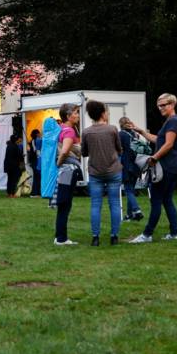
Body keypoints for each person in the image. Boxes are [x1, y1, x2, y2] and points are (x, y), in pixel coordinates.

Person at [130, 93, 177, 243]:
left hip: (165, 168)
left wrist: (154, 158)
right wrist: (141, 132)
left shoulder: (172, 121)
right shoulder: (172, 121)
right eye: (159, 105)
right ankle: (174, 233)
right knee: (167, 200)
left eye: (164, 105)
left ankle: (147, 234)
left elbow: (168, 144)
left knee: (157, 200)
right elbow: (158, 140)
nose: (160, 108)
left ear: (172, 105)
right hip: (173, 167)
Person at [81, 100, 123, 246]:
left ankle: (95, 237)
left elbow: (84, 152)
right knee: (115, 204)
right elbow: (119, 149)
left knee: (95, 205)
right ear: (103, 113)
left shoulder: (86, 132)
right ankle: (114, 236)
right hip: (113, 171)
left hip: (95, 172)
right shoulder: (112, 129)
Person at [53, 103, 82, 246]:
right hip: (68, 170)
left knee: (63, 203)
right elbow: (64, 151)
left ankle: (59, 235)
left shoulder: (61, 129)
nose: (77, 115)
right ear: (68, 116)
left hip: (65, 171)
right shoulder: (69, 131)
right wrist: (59, 163)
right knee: (65, 203)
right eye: (76, 113)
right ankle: (61, 238)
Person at [118, 117, 144, 222]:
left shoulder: (121, 134)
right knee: (131, 189)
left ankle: (136, 210)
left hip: (127, 165)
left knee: (128, 189)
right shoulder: (135, 134)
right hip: (136, 165)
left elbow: (118, 149)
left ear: (121, 124)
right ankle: (129, 215)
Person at [28, 130, 42, 197]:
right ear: (37, 134)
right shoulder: (34, 141)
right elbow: (35, 150)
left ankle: (37, 192)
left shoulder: (34, 140)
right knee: (36, 177)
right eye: (39, 133)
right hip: (35, 161)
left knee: (38, 177)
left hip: (36, 161)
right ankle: (34, 193)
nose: (40, 134)